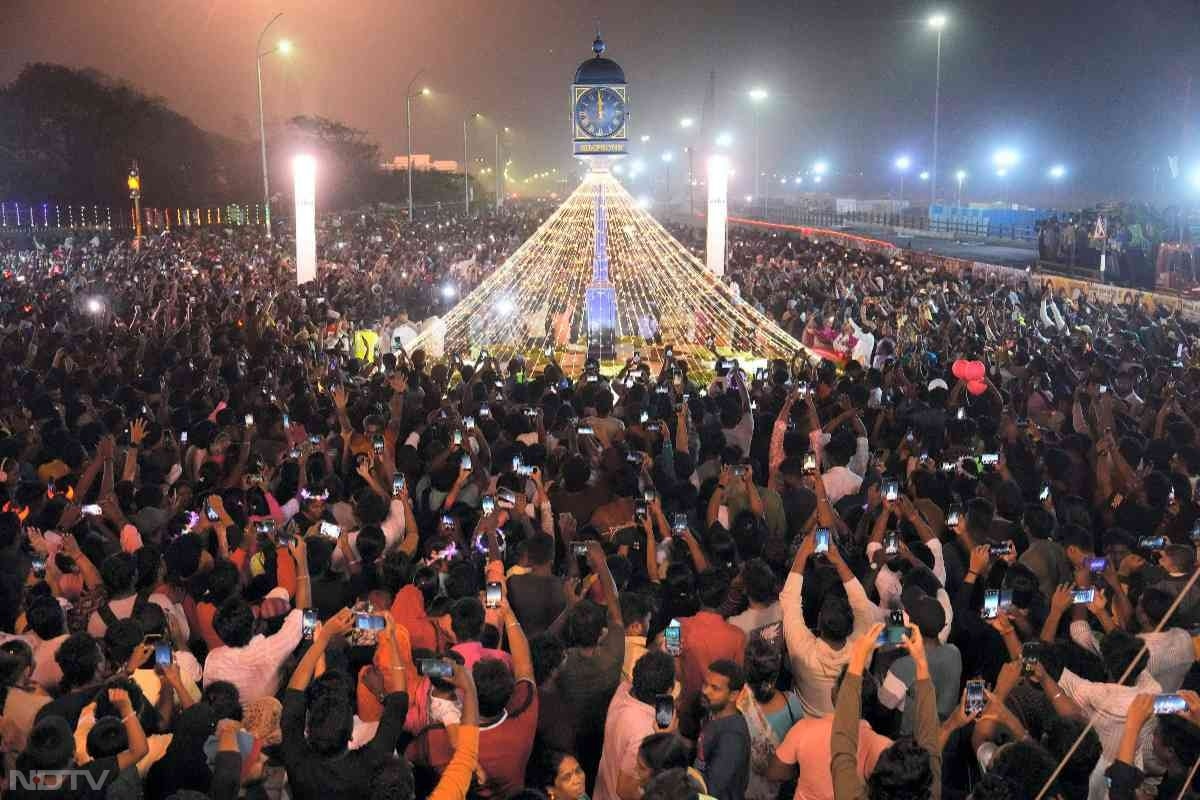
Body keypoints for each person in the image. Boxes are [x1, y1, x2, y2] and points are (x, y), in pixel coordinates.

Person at [830, 622, 942, 800]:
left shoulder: (933, 789)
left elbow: (843, 743)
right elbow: (930, 738)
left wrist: (858, 658)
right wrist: (920, 663)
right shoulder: (931, 792)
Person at [594, 649, 676, 800]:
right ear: (669, 690)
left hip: (603, 789)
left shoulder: (624, 689)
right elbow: (625, 790)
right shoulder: (644, 732)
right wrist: (663, 739)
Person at [695, 659, 751, 800]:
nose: (705, 691)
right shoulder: (713, 710)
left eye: (715, 688)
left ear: (733, 695)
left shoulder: (732, 737)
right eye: (705, 684)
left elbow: (711, 789)